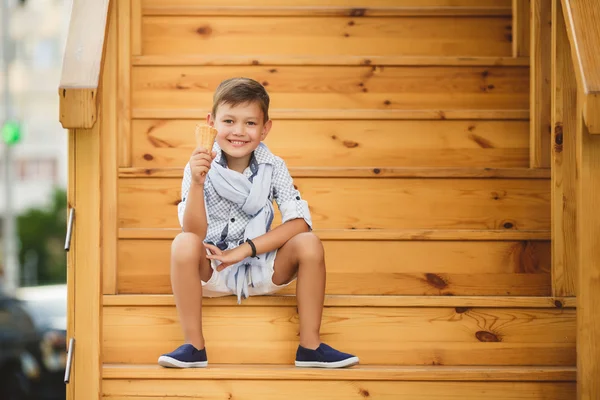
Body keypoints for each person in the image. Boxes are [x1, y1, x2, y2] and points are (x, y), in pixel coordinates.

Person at [157, 77, 359, 369]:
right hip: (212, 269)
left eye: (250, 123)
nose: (239, 131)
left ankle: (310, 346)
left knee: (309, 243)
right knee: (183, 242)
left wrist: (243, 250)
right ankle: (193, 346)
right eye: (229, 120)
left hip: (261, 267)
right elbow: (194, 232)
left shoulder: (274, 166)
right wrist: (198, 184)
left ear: (265, 129)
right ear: (211, 122)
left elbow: (300, 223)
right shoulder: (199, 165)